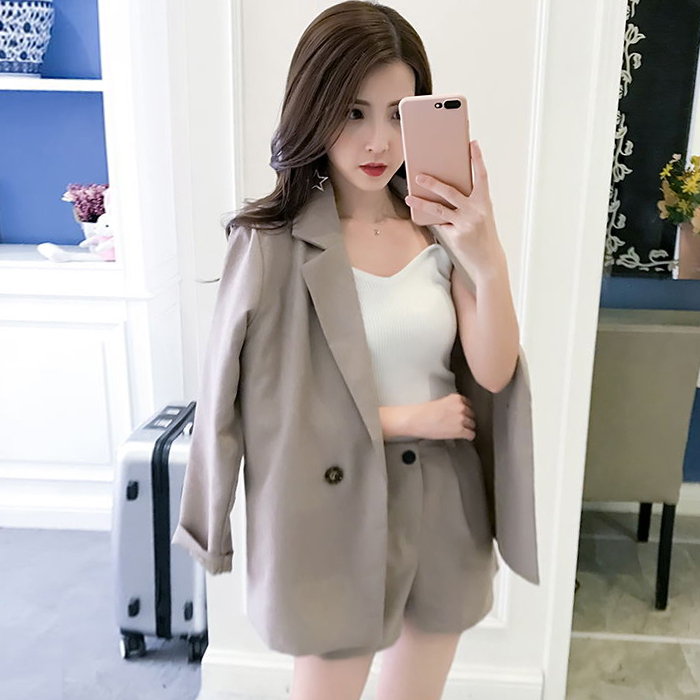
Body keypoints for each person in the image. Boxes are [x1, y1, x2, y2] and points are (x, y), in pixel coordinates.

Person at [173, 2, 540, 699]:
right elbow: (247, 408)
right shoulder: (270, 244)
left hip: (441, 502)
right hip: (329, 508)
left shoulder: (438, 233)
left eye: (399, 114)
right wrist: (408, 419)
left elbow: (493, 372)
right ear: (314, 109)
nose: (379, 141)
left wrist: (486, 256)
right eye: (353, 112)